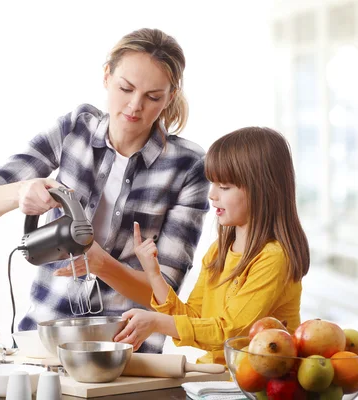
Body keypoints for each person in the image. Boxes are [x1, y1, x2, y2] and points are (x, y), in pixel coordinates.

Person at [0, 28, 210, 353]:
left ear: (170, 95)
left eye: (153, 97)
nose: (135, 106)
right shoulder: (74, 130)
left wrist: (100, 262)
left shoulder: (188, 167)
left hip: (127, 355)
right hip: (44, 342)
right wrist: (22, 190)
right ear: (107, 76)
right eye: (126, 88)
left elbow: (165, 292)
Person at [114, 127, 310, 363]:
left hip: (254, 387)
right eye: (213, 183)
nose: (212, 194)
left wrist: (156, 322)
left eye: (224, 187)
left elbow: (229, 333)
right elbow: (195, 317)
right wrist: (153, 273)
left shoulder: (274, 258)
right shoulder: (219, 251)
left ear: (262, 190)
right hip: (218, 381)